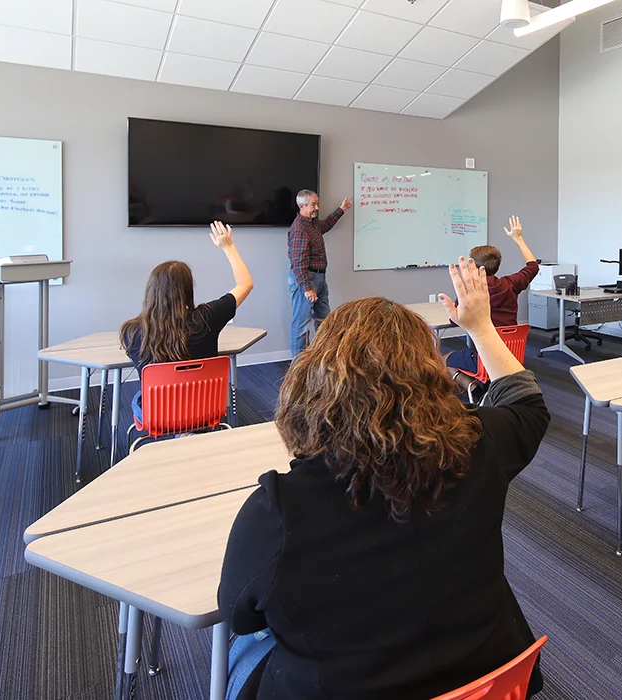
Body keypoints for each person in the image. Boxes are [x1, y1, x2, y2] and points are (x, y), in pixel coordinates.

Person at [218, 256, 551, 700]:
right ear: (431, 374)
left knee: (243, 651)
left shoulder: (279, 511)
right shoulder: (478, 444)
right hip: (489, 681)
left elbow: (240, 616)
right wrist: (480, 327)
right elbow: (527, 403)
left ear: (313, 382)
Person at [119, 221, 254, 422]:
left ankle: (179, 430)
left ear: (151, 291)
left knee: (140, 396)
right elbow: (245, 284)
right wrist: (229, 247)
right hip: (205, 408)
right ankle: (187, 430)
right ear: (188, 289)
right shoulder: (208, 317)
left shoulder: (130, 331)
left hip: (159, 415)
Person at [445, 215, 539, 378]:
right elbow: (533, 267)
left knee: (445, 359)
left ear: (473, 265)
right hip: (510, 356)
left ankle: (473, 388)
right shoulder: (510, 284)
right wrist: (518, 239)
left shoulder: (469, 293)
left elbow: (455, 321)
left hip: (483, 358)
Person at [288, 189, 352, 356]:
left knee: (323, 320)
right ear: (302, 206)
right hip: (307, 280)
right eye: (313, 205)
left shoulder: (312, 223)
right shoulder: (300, 229)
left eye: (317, 204)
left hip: (319, 278)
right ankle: (299, 365)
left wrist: (342, 209)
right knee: (301, 324)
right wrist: (306, 288)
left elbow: (326, 225)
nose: (317, 208)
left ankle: (322, 357)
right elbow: (297, 263)